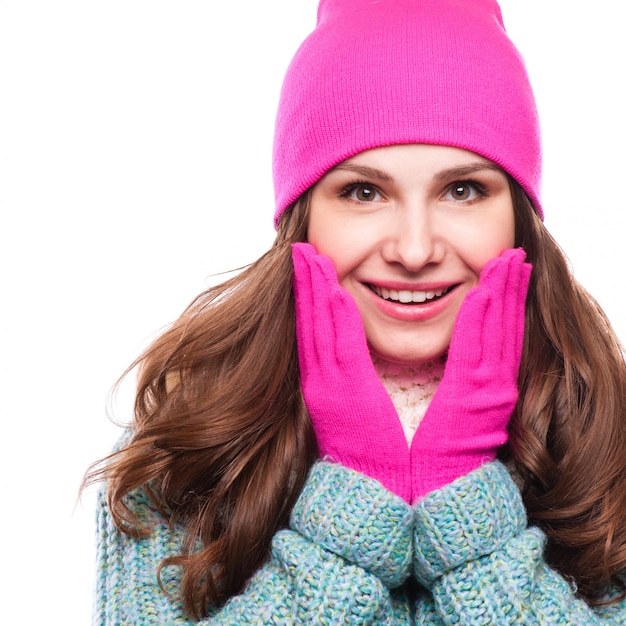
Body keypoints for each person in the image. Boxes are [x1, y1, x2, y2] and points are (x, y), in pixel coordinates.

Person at [86, 0, 626, 623]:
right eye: (364, 192)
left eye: (463, 189)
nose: (415, 249)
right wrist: (354, 500)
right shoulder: (187, 445)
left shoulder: (604, 438)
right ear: (303, 219)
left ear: (519, 221)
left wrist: (466, 496)